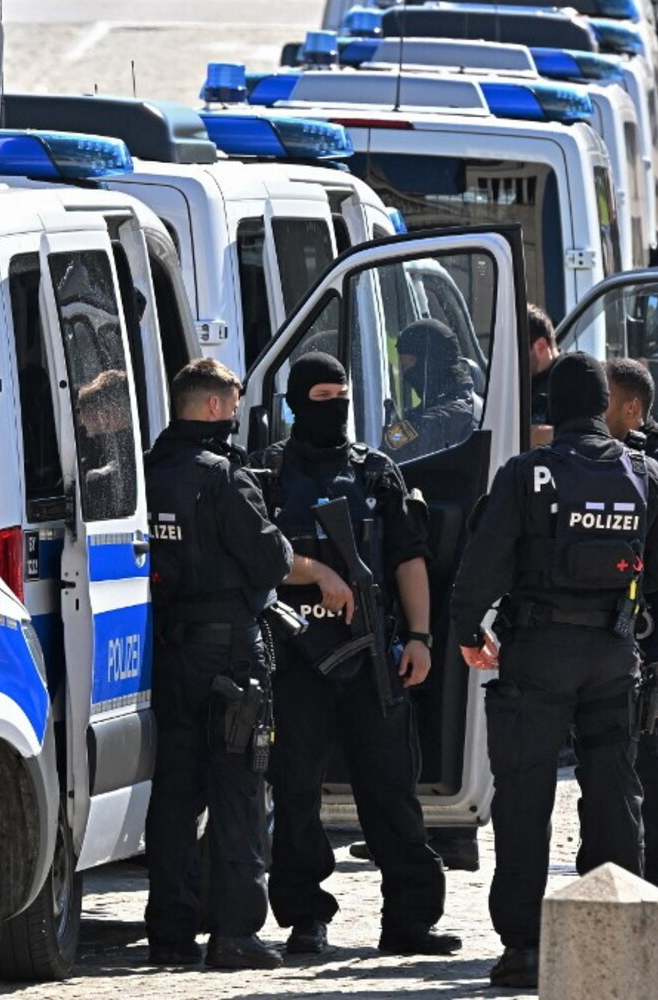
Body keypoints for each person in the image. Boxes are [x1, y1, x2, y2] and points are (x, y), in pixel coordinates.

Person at [451, 353, 658, 989]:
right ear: (604, 405)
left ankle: (525, 947)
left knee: (525, 798)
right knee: (615, 794)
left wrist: (468, 631)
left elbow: (483, 564)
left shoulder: (529, 473)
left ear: (552, 406)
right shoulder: (646, 473)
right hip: (614, 654)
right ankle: (618, 936)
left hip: (539, 653)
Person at [256, 351, 462, 958]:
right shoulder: (267, 473)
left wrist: (420, 637)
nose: (335, 408)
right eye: (321, 398)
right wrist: (316, 571)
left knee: (391, 790)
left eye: (341, 396)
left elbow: (408, 559)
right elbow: (257, 554)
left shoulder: (376, 472)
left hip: (371, 654)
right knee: (296, 791)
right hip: (296, 655)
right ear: (296, 404)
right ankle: (305, 917)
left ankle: (410, 920)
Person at [143, 357, 293, 970]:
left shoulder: (146, 474)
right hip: (231, 654)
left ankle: (169, 935)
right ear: (212, 407)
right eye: (231, 405)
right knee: (238, 790)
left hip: (170, 650)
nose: (235, 415)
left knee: (174, 793)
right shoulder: (225, 477)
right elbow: (272, 562)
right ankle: (234, 933)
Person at [605, 357, 658, 892]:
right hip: (636, 633)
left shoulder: (653, 466)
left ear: (631, 408)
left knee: (652, 764)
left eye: (602, 399)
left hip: (657, 635)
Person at [384, 319, 481, 461]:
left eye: (406, 366)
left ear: (430, 364)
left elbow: (388, 452)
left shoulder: (443, 419)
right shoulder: (467, 403)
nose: (405, 375)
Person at [528, 303, 559, 436]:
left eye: (517, 351)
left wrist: (542, 435)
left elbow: (585, 435)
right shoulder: (521, 381)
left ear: (540, 346)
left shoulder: (572, 379)